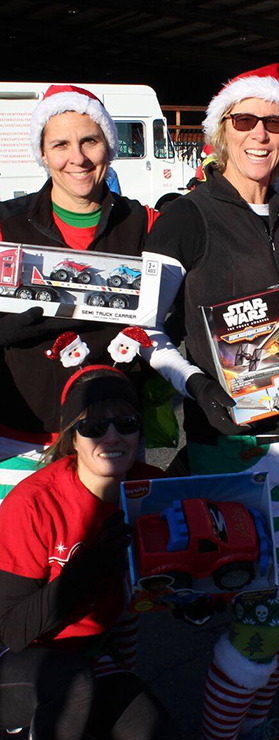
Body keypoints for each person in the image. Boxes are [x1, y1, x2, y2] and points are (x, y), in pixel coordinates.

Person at [143, 64, 279, 740]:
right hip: (238, 450)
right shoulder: (188, 215)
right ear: (220, 132)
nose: (260, 135)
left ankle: (252, 731)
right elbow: (145, 329)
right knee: (260, 614)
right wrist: (194, 385)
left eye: (275, 123)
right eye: (245, 122)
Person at [0, 366, 185, 740]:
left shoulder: (152, 489)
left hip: (89, 653)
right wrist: (89, 566)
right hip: (16, 655)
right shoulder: (34, 502)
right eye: (94, 426)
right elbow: (11, 630)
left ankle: (77, 734)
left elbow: (168, 584)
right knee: (71, 685)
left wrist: (197, 598)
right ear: (72, 435)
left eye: (126, 422)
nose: (112, 436)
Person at [0, 85, 167, 504]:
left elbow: (177, 310)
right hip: (25, 433)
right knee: (22, 557)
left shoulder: (145, 223)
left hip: (113, 435)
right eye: (60, 144)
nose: (77, 157)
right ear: (43, 153)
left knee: (111, 553)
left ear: (108, 146)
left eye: (89, 140)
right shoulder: (7, 226)